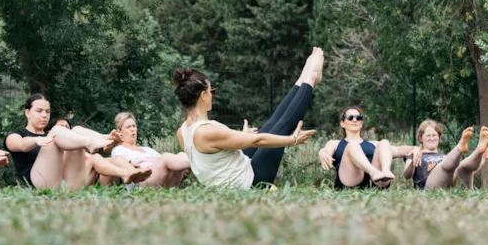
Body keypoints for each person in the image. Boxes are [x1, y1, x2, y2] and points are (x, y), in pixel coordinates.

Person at [174, 49, 321, 189]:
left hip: (234, 172)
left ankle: (304, 78)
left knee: (272, 123)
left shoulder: (182, 132)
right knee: (282, 126)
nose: (213, 94)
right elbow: (258, 141)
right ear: (203, 96)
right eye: (211, 91)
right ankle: (310, 77)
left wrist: (242, 135)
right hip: (251, 182)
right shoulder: (206, 131)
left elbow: (214, 159)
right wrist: (293, 140)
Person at [5, 94, 152, 190]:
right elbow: (21, 145)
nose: (44, 115)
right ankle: (93, 142)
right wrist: (37, 139)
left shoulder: (55, 134)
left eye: (47, 112)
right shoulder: (17, 135)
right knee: (57, 132)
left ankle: (110, 145)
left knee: (74, 130)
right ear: (27, 112)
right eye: (39, 111)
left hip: (65, 185)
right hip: (38, 184)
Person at [318, 107, 415, 189]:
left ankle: (385, 172)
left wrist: (414, 149)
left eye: (358, 117)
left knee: (384, 142)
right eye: (350, 117)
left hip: (376, 183)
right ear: (342, 123)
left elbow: (398, 150)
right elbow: (326, 151)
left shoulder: (373, 144)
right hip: (350, 180)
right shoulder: (335, 143)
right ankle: (374, 172)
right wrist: (322, 152)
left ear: (361, 123)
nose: (355, 120)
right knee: (353, 145)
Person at [402, 120, 488, 189]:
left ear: (439, 138)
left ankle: (479, 150)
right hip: (430, 187)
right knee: (446, 165)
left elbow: (469, 172)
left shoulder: (446, 157)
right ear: (420, 138)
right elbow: (406, 175)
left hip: (455, 188)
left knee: (464, 167)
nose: (432, 138)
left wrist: (483, 157)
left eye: (434, 135)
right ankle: (460, 146)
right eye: (428, 136)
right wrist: (413, 162)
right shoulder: (415, 153)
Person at [107, 112, 191, 188]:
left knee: (181, 155)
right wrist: (131, 167)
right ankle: (196, 161)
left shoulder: (147, 150)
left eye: (134, 126)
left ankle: (172, 192)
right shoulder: (119, 149)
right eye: (128, 127)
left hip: (159, 179)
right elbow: (119, 163)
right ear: (119, 132)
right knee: (166, 158)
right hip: (141, 181)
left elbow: (169, 163)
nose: (132, 129)